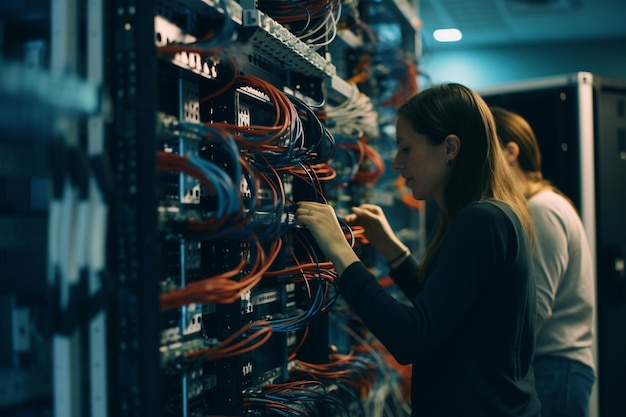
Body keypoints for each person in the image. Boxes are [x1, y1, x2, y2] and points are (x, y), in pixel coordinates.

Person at [296, 83, 541, 416]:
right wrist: (391, 249)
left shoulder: (482, 221)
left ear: (450, 148)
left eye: (406, 149)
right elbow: (444, 311)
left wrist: (338, 248)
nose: (397, 163)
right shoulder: (495, 214)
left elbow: (410, 337)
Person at [491, 106, 596, 417]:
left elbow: (533, 310)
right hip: (553, 370)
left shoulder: (543, 209)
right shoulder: (538, 206)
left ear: (510, 151)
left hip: (555, 369)